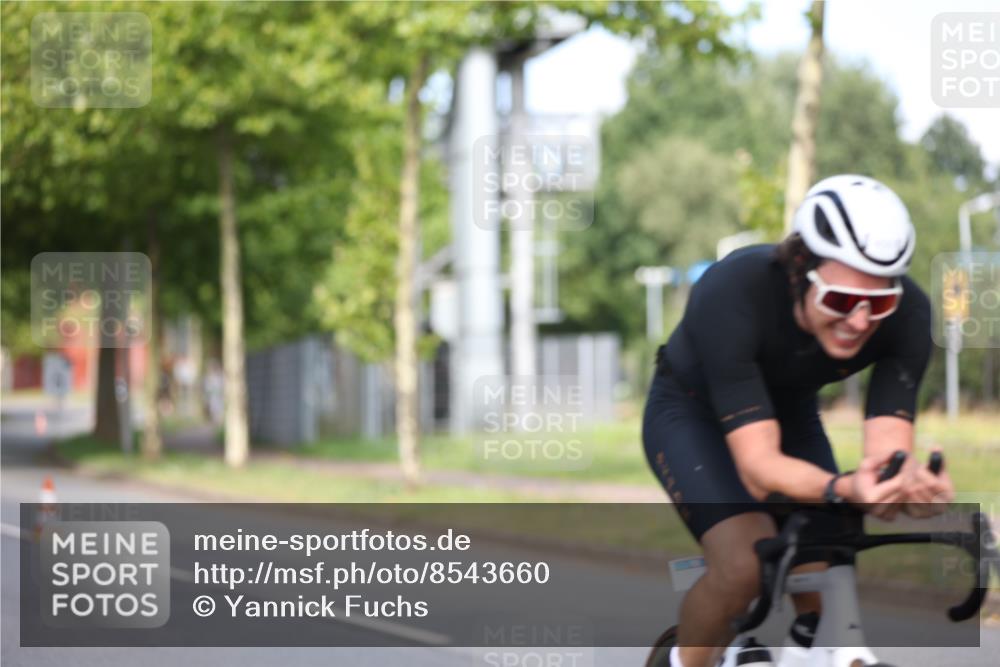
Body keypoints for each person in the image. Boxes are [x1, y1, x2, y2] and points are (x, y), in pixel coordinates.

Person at [641, 175, 955, 667]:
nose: (859, 321)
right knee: (744, 561)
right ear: (800, 269)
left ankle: (813, 649)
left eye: (878, 303)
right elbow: (760, 468)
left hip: (791, 413)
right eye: (841, 300)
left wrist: (903, 486)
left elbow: (886, 457)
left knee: (830, 558)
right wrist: (843, 488)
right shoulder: (734, 291)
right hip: (691, 412)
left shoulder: (908, 315)